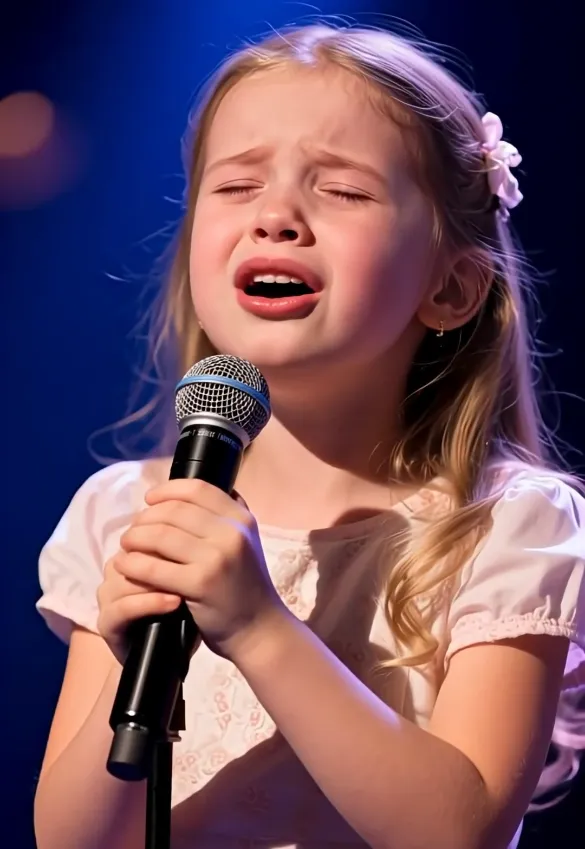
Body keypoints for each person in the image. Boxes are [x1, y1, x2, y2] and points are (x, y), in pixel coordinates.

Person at [33, 22, 585, 849]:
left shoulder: (506, 526)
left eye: (343, 191)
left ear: (452, 285)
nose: (277, 217)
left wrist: (258, 626)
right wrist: (132, 648)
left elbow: (458, 833)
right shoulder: (127, 510)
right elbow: (71, 839)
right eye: (235, 186)